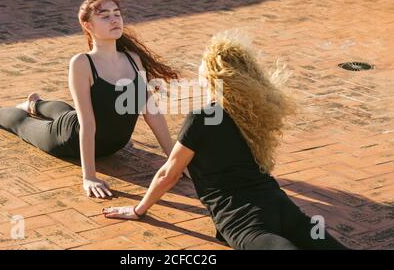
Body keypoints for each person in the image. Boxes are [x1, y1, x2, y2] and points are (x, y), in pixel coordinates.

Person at [102, 30, 349, 250]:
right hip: (279, 205)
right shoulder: (254, 111)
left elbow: (170, 174)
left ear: (212, 74)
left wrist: (138, 209)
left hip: (242, 219)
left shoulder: (201, 118)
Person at [0, 0, 180, 199]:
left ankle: (36, 104)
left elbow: (151, 111)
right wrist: (89, 177)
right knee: (20, 123)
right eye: (104, 16)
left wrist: (174, 161)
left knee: (67, 111)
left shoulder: (133, 59)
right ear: (88, 26)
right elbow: (87, 122)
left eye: (117, 13)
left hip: (114, 144)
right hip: (69, 139)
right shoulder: (82, 63)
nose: (114, 19)